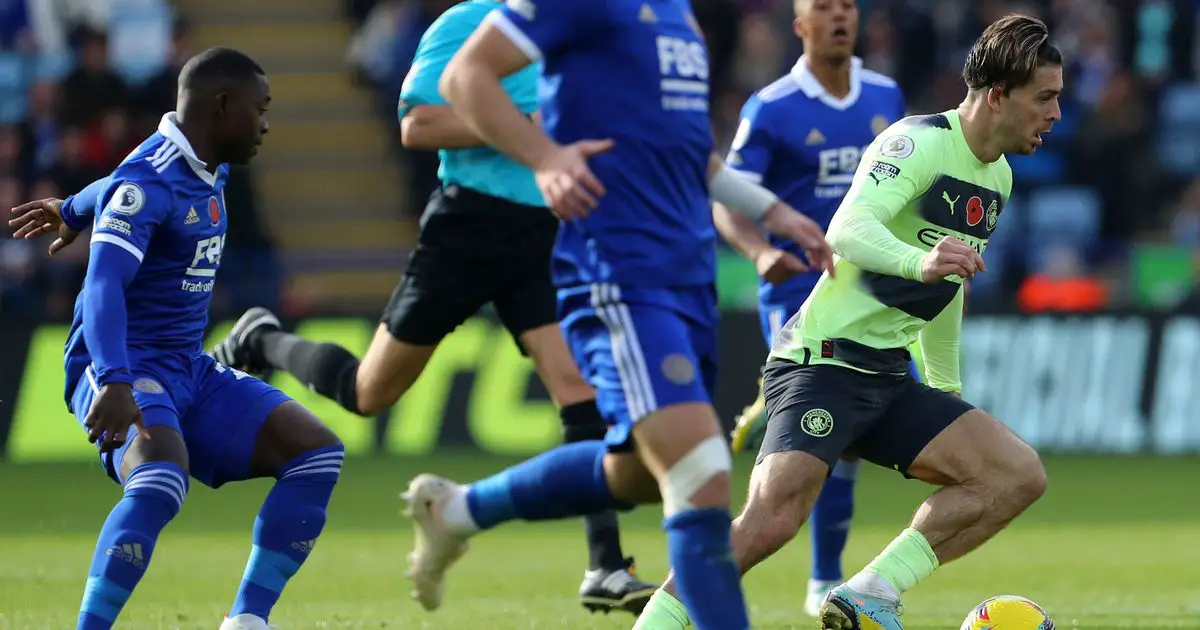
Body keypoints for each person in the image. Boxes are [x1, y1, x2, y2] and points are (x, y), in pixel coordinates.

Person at [207, 0, 656, 614]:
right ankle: (262, 338)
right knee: (370, 392)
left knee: (578, 388)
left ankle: (605, 564)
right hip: (467, 227)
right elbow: (418, 125)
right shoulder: (466, 24)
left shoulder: (569, 32)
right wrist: (521, 126)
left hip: (544, 233)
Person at [396, 0, 835, 628]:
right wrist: (545, 158)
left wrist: (771, 211)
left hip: (686, 276)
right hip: (619, 271)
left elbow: (686, 149)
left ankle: (458, 512)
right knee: (700, 469)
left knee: (632, 474)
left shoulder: (677, 14)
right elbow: (467, 75)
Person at [632, 14, 1060, 630]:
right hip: (823, 361)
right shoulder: (915, 142)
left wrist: (944, 391)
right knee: (774, 517)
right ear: (998, 94)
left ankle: (870, 592)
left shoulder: (997, 176)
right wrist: (921, 260)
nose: (1055, 114)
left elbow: (948, 283)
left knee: (1014, 474)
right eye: (1044, 98)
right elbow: (847, 231)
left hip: (887, 375)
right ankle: (657, 625)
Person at [8, 48, 344, 630]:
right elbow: (105, 281)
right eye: (258, 110)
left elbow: (110, 184)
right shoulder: (150, 185)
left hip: (187, 367)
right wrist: (112, 380)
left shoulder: (208, 165)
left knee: (316, 453)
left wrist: (71, 206)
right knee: (162, 475)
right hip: (119, 362)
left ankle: (247, 621)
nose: (265, 124)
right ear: (221, 108)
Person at [712, 0, 908, 615]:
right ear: (800, 25)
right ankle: (824, 578)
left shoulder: (886, 96)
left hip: (872, 290)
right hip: (798, 291)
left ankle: (765, 411)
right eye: (823, 8)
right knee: (838, 433)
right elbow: (728, 201)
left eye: (847, 6)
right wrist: (756, 252)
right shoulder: (770, 108)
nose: (838, 17)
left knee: (868, 423)